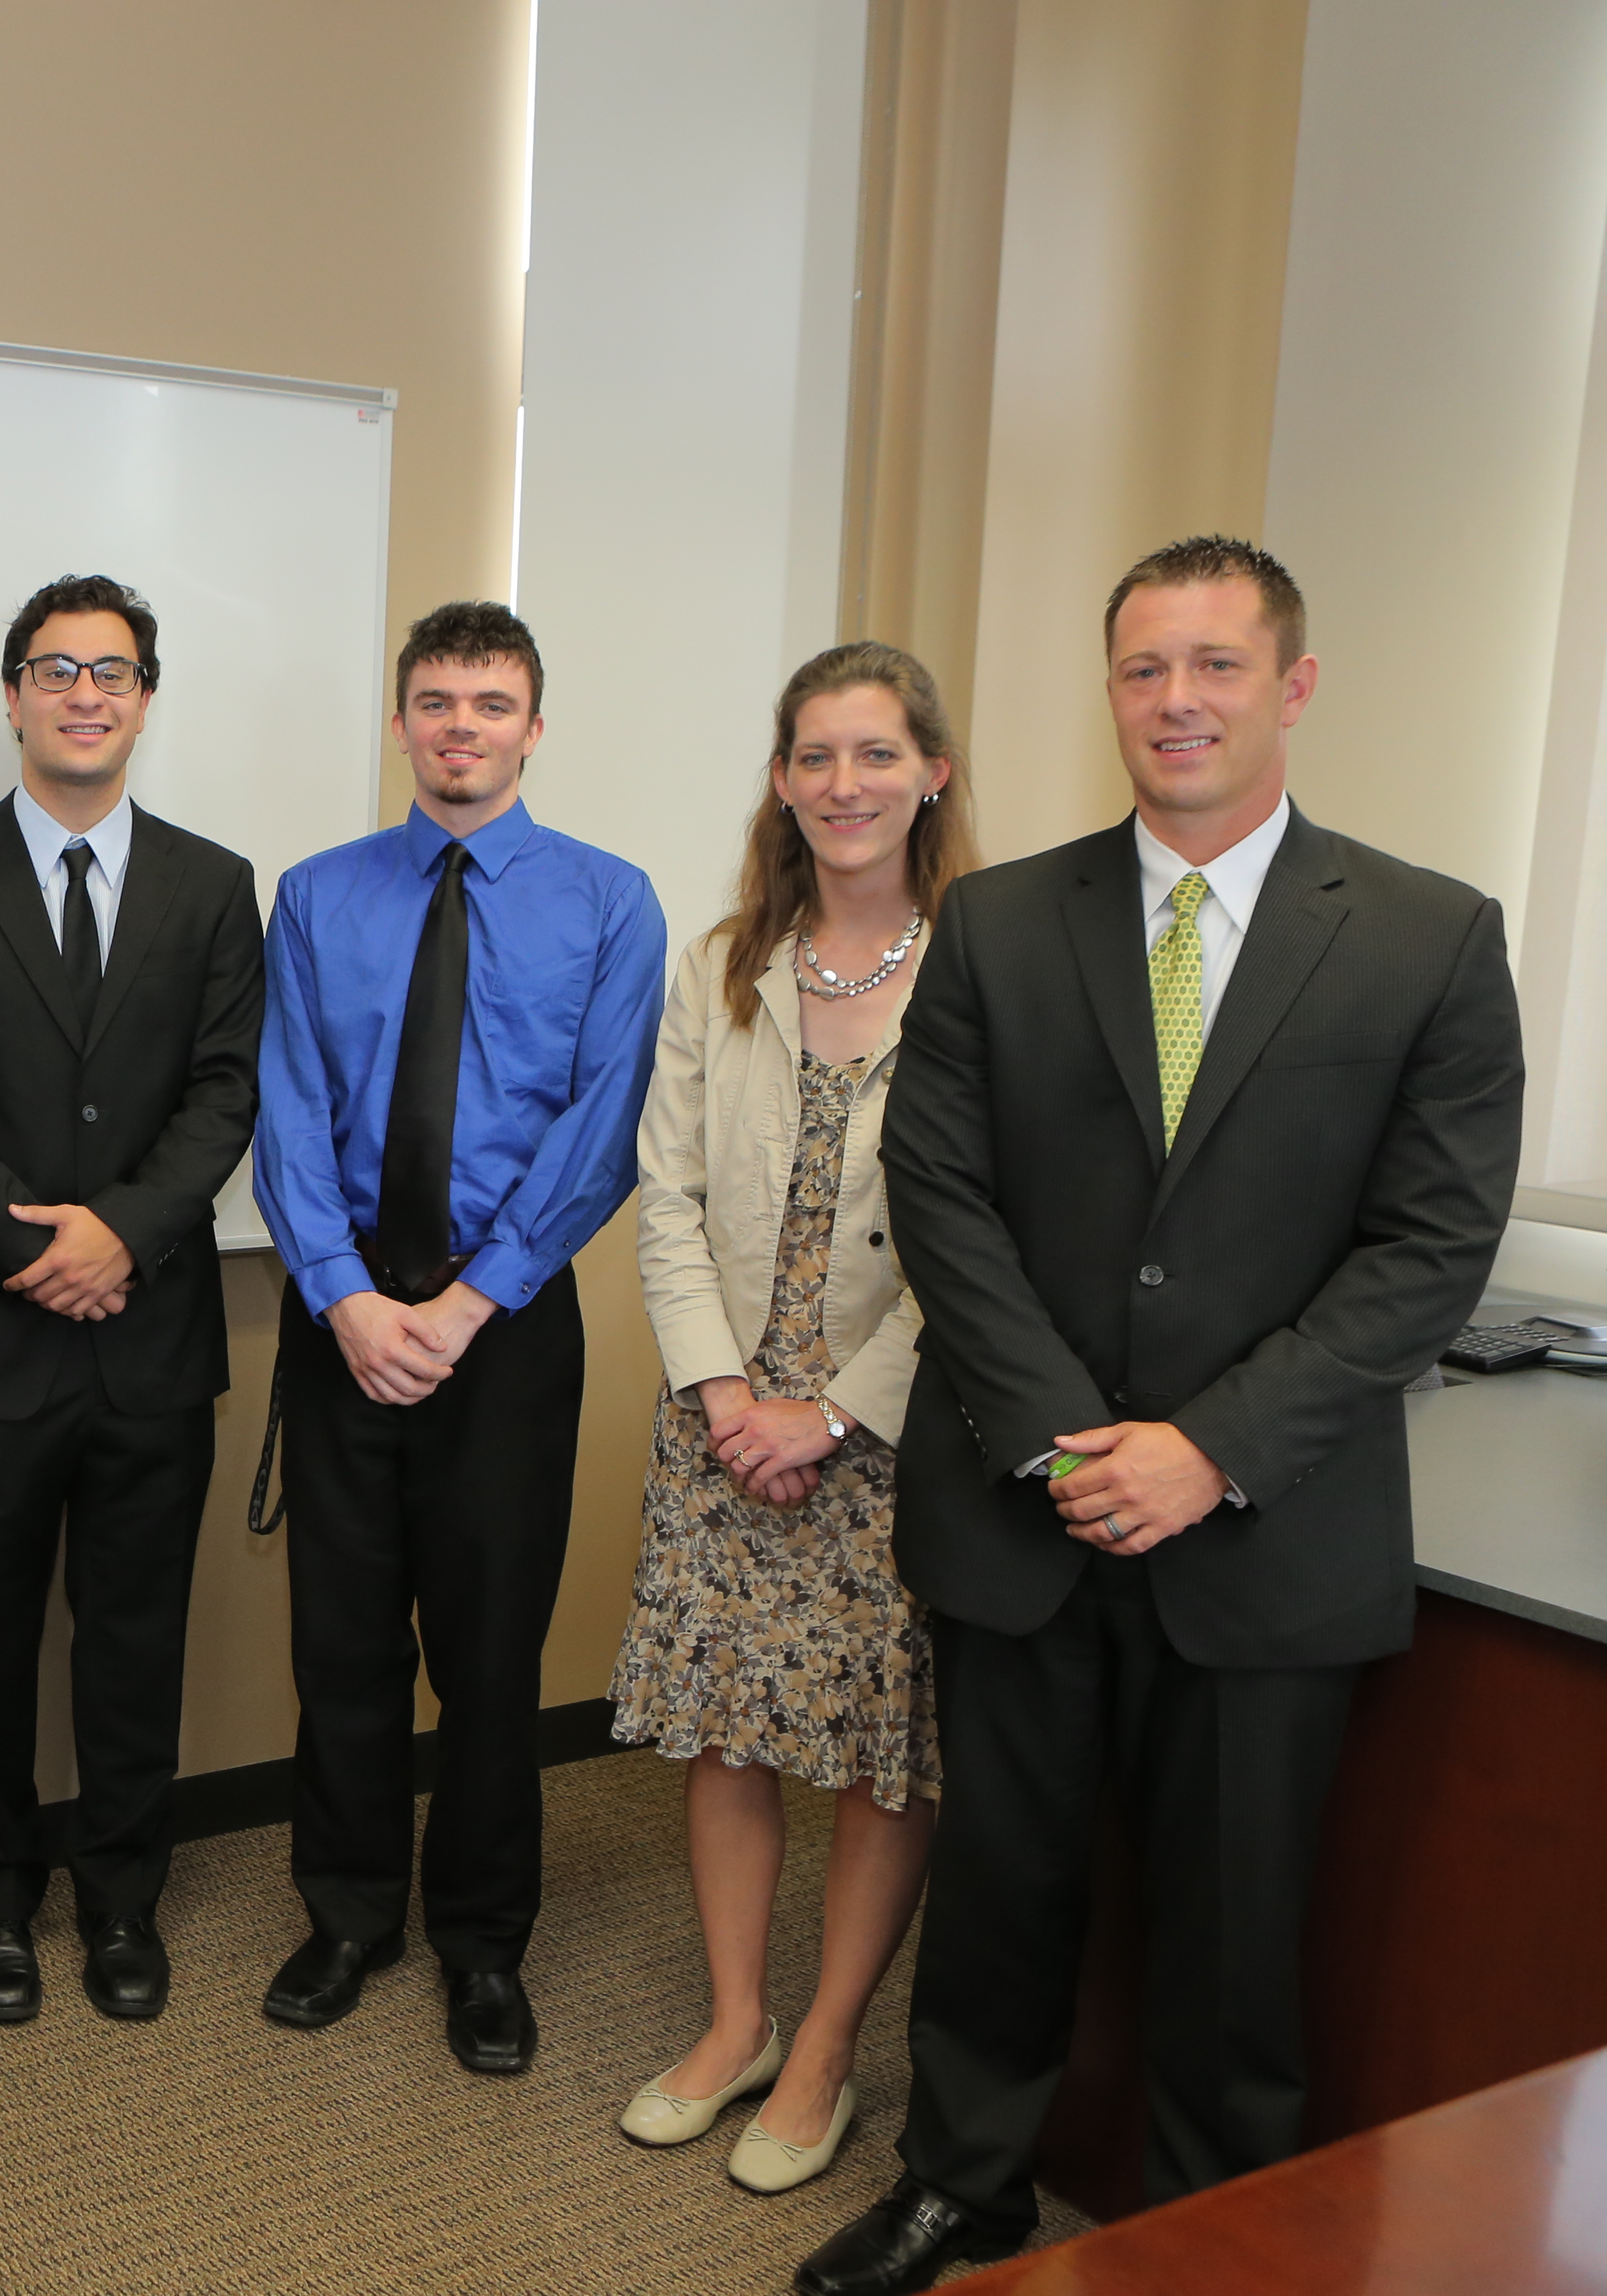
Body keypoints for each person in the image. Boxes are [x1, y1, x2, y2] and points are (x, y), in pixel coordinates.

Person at [797, 537, 1524, 2295]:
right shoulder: (996, 919)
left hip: (1269, 1527)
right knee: (1000, 1895)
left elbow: (1428, 1248)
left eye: (1213, 665)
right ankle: (960, 2187)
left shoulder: (1427, 937)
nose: (1176, 701)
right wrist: (1066, 1436)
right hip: (1023, 1508)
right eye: (1142, 669)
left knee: (1232, 1936)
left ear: (1293, 683)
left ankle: (1215, 2233)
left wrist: (1208, 1450)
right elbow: (942, 1192)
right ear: (1109, 688)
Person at [250, 599, 664, 2068]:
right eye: (435, 701)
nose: (460, 728)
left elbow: (602, 1129)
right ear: (401, 722)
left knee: (490, 1659)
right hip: (344, 1322)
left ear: (534, 728)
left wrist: (470, 1302)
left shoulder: (612, 902)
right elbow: (289, 1110)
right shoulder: (316, 894)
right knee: (344, 1648)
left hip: (507, 1328)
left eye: (490, 704)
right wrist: (349, 1300)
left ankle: (484, 1946)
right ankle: (349, 1913)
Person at [608, 642, 977, 2194]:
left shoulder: (986, 966)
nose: (845, 786)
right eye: (815, 757)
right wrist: (725, 1395)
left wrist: (831, 1414)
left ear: (932, 774)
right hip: (720, 1425)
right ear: (779, 779)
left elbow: (988, 1231)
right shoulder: (723, 964)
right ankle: (739, 2021)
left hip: (890, 1432)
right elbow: (667, 1194)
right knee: (728, 1725)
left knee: (877, 1750)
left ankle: (826, 2047)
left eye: (876, 755)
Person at [0, 574, 264, 2026]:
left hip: (153, 1338)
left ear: (147, 697)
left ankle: (120, 1904)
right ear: (14, 695)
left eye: (112, 671)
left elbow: (228, 1089)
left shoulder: (216, 885)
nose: (84, 694)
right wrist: (29, 1245)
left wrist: (131, 1234)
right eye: (55, 669)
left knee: (136, 1642)